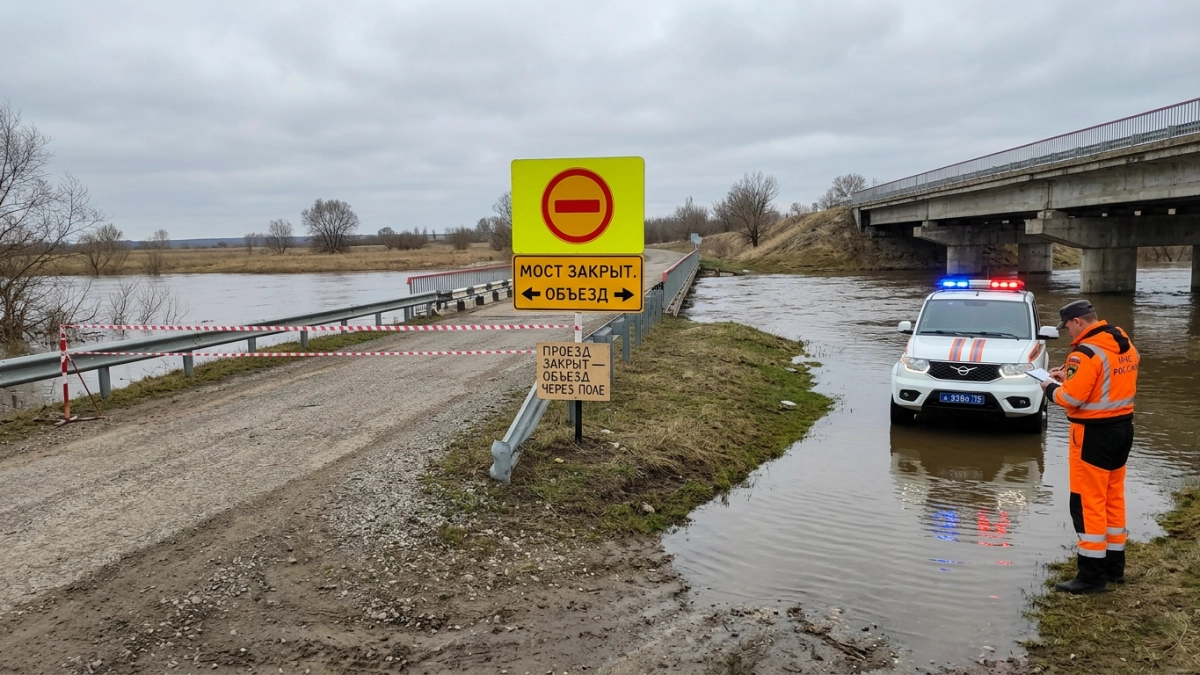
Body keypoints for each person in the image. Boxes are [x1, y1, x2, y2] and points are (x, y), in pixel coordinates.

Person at [1039, 299, 1139, 593]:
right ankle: (1114, 568)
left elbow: (1071, 400)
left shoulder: (1084, 354)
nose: (1067, 331)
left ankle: (1091, 576)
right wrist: (1066, 380)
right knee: (1112, 497)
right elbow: (1105, 384)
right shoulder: (1124, 344)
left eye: (1068, 326)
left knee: (1087, 503)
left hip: (1092, 435)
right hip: (1123, 429)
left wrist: (1049, 386)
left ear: (1078, 322)